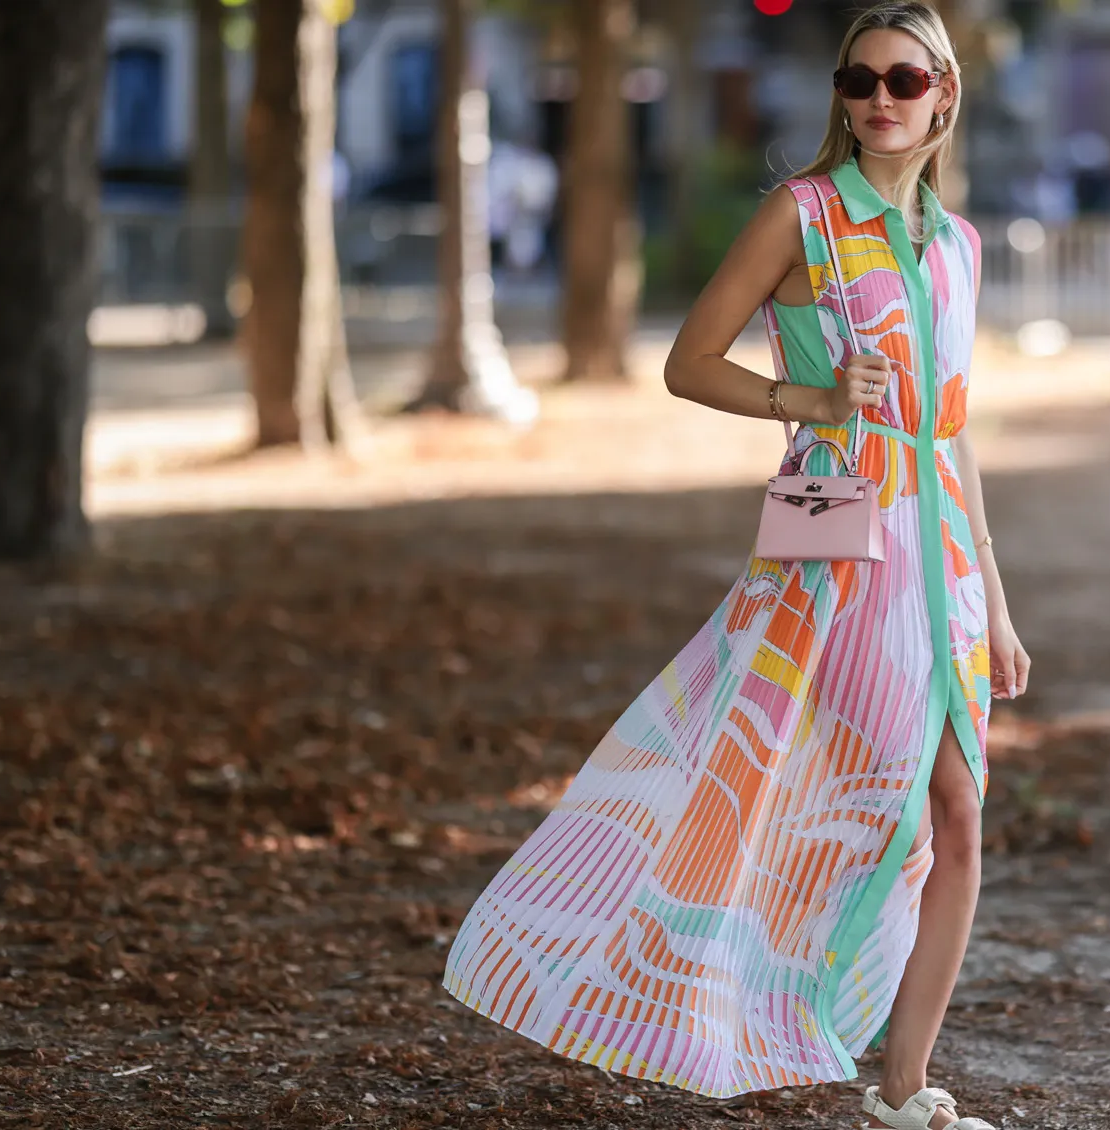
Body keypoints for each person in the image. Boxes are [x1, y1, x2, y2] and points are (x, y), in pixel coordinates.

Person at [440, 6, 1030, 1129]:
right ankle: (698, 988)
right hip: (833, 544)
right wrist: (801, 398)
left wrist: (995, 601)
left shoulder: (955, 247)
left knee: (957, 811)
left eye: (904, 79)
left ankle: (903, 1086)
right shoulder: (803, 213)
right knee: (821, 788)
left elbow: (949, 434)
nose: (878, 100)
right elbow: (686, 361)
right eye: (858, 80)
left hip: (942, 558)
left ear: (944, 94)